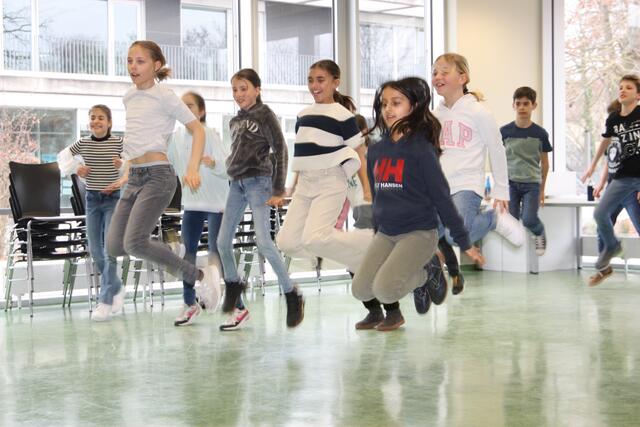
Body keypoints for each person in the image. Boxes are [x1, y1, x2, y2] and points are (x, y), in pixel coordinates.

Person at [351, 77, 484, 331]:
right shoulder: (376, 151)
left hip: (419, 233)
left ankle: (428, 272)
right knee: (361, 289)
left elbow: (442, 198)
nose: (388, 109)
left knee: (385, 290)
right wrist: (378, 232)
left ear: (413, 107)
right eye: (384, 104)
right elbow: (379, 197)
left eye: (396, 103)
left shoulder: (421, 149)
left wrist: (464, 242)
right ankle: (424, 271)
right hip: (387, 233)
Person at [104, 40, 219, 322]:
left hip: (158, 176)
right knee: (115, 246)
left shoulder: (164, 95)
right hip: (135, 177)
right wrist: (125, 164)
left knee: (134, 243)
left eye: (140, 61)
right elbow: (138, 135)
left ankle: (201, 275)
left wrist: (192, 167)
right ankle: (171, 250)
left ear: (156, 66)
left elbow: (197, 130)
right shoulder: (129, 96)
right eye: (129, 61)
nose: (133, 67)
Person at [216, 68, 304, 329]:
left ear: (257, 89)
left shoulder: (265, 114)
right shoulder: (234, 121)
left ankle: (291, 293)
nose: (239, 94)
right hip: (237, 184)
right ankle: (234, 287)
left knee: (264, 242)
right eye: (235, 90)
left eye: (244, 88)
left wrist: (278, 189)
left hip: (259, 182)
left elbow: (281, 149)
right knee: (222, 242)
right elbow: (236, 153)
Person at [431, 53, 524, 295]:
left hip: (467, 183)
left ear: (463, 77)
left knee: (455, 235)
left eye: (444, 72)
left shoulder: (478, 112)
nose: (437, 76)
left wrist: (501, 189)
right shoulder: (435, 115)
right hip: (439, 187)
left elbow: (497, 149)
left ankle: (493, 219)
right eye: (435, 72)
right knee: (430, 235)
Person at [276, 59, 373, 278]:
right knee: (286, 242)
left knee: (315, 237)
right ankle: (352, 257)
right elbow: (303, 156)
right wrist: (293, 187)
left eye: (320, 80)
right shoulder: (302, 116)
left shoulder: (344, 116)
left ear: (335, 82)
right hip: (305, 184)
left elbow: (359, 153)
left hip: (331, 181)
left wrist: (367, 189)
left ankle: (368, 246)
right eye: (310, 80)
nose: (314, 86)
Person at [167, 91, 230, 326]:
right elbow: (168, 164)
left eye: (191, 106)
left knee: (218, 254)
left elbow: (227, 169)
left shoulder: (209, 134)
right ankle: (189, 304)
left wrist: (213, 164)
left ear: (201, 111)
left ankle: (236, 306)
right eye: (182, 106)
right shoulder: (175, 138)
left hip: (217, 205)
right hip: (192, 204)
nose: (186, 109)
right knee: (188, 255)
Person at [57, 105, 125, 322]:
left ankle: (105, 301)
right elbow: (63, 157)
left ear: (109, 122)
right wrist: (76, 168)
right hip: (92, 200)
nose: (96, 121)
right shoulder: (83, 143)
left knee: (109, 250)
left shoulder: (119, 143)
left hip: (113, 199)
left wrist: (122, 164)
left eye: (101, 118)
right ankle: (116, 286)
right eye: (93, 117)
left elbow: (134, 165)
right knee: (96, 251)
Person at [580, 75, 640, 286]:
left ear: (638, 95)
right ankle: (611, 251)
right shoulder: (613, 119)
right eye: (621, 87)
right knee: (599, 214)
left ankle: (605, 259)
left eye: (629, 88)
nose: (622, 90)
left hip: (638, 180)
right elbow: (605, 144)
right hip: (621, 180)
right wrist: (592, 167)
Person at [500, 86, 553, 256]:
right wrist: (498, 188)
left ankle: (540, 233)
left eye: (526, 103)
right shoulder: (504, 132)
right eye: (518, 103)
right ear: (513, 105)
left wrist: (542, 190)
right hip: (510, 184)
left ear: (533, 105)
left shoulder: (540, 133)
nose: (522, 107)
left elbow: (545, 164)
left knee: (529, 219)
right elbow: (498, 160)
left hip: (532, 184)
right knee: (512, 221)